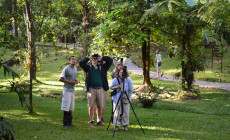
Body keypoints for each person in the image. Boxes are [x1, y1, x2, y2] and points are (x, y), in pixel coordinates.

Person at [79, 54, 113, 127]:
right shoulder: (88, 67)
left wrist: (102, 57)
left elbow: (110, 61)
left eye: (96, 59)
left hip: (100, 89)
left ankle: (99, 120)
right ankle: (91, 120)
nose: (95, 60)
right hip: (91, 89)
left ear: (98, 60)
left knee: (100, 106)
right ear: (91, 61)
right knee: (91, 106)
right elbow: (81, 63)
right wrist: (88, 57)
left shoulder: (103, 67)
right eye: (93, 59)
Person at [59, 56, 78, 128]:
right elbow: (60, 79)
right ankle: (65, 123)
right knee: (66, 106)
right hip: (67, 90)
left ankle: (69, 123)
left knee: (70, 107)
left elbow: (74, 79)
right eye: (72, 59)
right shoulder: (66, 69)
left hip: (72, 90)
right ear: (69, 61)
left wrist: (76, 81)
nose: (74, 60)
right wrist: (70, 82)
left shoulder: (75, 68)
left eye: (75, 59)